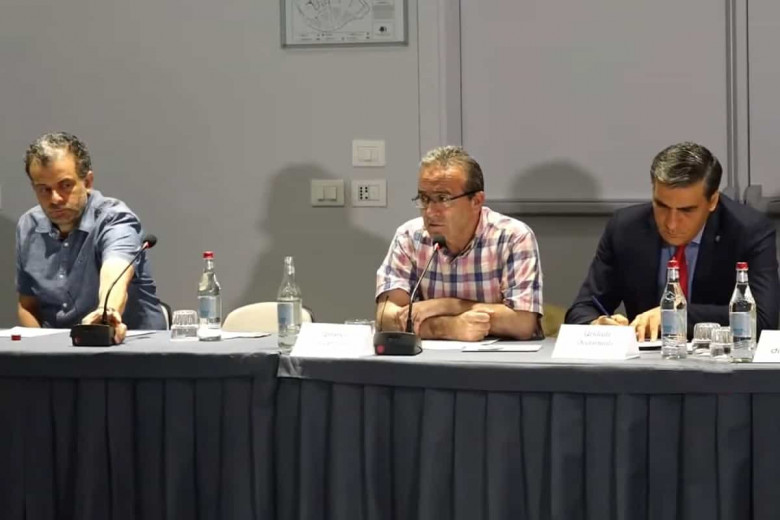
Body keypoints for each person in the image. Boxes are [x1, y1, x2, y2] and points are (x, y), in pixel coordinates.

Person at [565, 141, 780, 340]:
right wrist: (597, 324)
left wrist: (675, 316)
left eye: (687, 210)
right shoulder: (626, 228)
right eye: (662, 206)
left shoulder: (748, 231)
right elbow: (583, 308)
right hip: (645, 362)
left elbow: (762, 320)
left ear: (713, 200)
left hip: (718, 360)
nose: (671, 224)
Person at [375, 145, 543, 341]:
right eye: (424, 199)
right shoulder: (409, 237)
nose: (430, 211)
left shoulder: (513, 237)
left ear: (476, 201)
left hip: (504, 358)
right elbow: (386, 317)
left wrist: (444, 305)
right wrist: (447, 328)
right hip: (430, 357)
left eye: (443, 198)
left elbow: (522, 322)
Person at [16, 132, 167, 343]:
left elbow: (116, 271)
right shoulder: (28, 226)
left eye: (65, 185)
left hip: (129, 350)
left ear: (87, 181)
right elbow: (27, 305)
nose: (55, 199)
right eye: (44, 189)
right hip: (61, 351)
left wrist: (107, 311)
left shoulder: (116, 219)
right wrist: (37, 350)